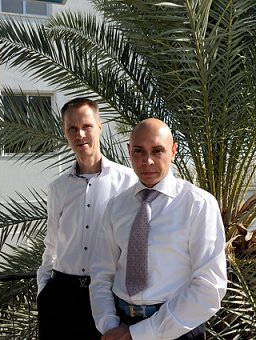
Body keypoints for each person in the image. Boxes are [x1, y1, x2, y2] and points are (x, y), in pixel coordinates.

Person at [89, 118, 228, 340]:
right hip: (120, 326)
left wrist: (141, 333)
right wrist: (108, 324)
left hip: (176, 329)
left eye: (157, 150)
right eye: (139, 151)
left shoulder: (198, 205)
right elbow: (102, 273)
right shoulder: (116, 206)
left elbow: (209, 288)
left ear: (173, 151)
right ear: (129, 151)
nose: (148, 161)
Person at [36, 97, 137, 340]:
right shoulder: (57, 188)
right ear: (65, 132)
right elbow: (52, 243)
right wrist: (44, 290)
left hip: (107, 295)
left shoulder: (128, 182)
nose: (80, 134)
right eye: (72, 128)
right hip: (61, 294)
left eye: (86, 126)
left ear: (99, 127)